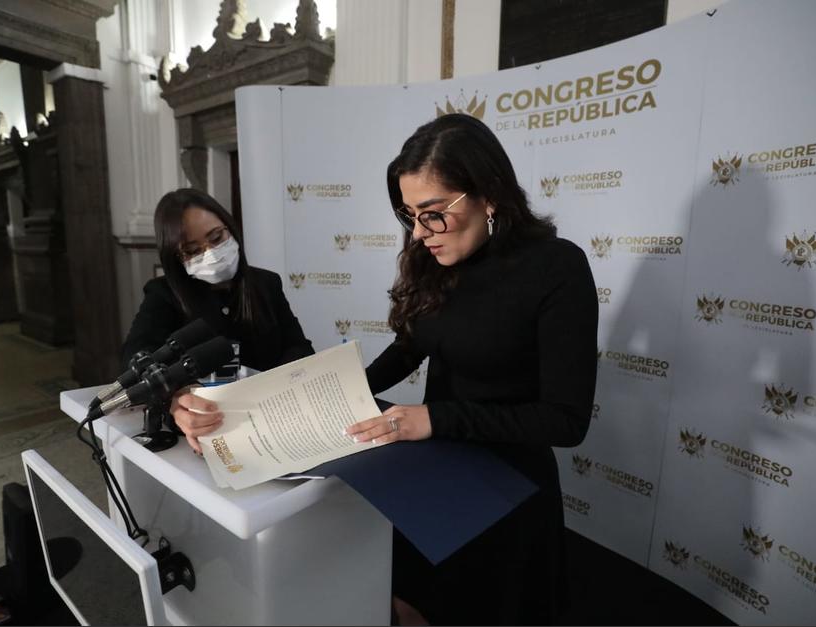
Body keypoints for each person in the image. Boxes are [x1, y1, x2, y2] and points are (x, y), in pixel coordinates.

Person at [345, 113, 598, 625]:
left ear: (488, 194)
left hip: (507, 489)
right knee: (407, 603)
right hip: (435, 471)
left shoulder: (557, 268)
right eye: (410, 215)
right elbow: (410, 346)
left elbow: (566, 421)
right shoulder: (438, 259)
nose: (419, 234)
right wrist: (343, 389)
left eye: (433, 213)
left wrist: (435, 418)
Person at [121, 188, 314, 452]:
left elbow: (300, 347)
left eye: (216, 237)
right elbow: (135, 358)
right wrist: (175, 400)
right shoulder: (163, 294)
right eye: (193, 250)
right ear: (177, 257)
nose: (211, 253)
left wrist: (280, 383)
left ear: (230, 228)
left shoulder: (266, 283)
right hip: (207, 434)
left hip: (275, 423)